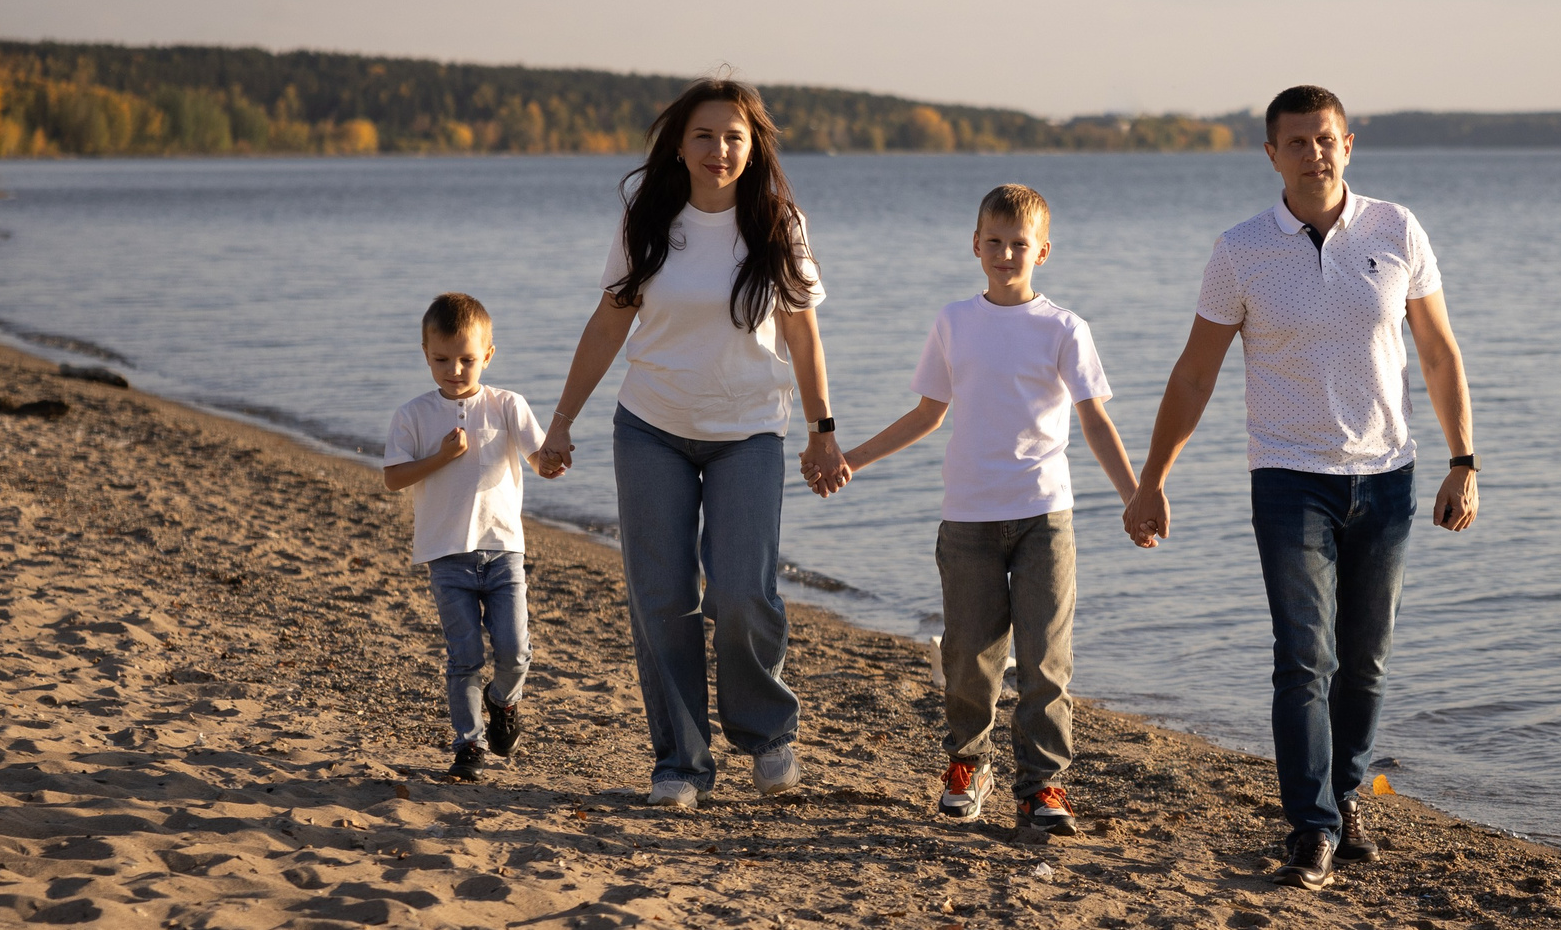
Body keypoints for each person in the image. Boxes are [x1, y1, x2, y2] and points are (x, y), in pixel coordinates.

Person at [1124, 84, 1478, 890]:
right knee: (1301, 658)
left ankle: (1347, 793)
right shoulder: (1241, 251)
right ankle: (1312, 826)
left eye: (1327, 139)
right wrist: (1152, 480)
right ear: (1272, 155)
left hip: (1387, 475)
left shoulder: (1396, 229)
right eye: (1298, 142)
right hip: (1289, 480)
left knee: (1368, 660)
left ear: (1348, 144)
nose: (1315, 153)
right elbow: (1194, 375)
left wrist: (1465, 460)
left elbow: (1439, 352)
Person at [534, 79, 849, 810]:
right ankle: (681, 760)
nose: (719, 150)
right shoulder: (647, 218)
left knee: (742, 592)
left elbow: (802, 331)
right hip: (650, 428)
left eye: (734, 136)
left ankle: (767, 735)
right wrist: (560, 421)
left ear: (753, 145)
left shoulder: (776, 221)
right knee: (663, 598)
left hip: (749, 434)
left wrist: (822, 430)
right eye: (705, 135)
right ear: (680, 142)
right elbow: (609, 324)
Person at [838, 185, 1138, 835]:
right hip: (968, 519)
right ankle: (968, 766)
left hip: (1044, 518)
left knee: (1044, 661)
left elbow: (1095, 421)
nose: (1006, 253)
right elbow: (927, 412)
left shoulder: (1064, 328)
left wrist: (1136, 494)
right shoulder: (954, 321)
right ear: (976, 246)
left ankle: (1042, 788)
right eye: (994, 242)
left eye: (1019, 244)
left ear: (1043, 251)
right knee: (969, 657)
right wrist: (854, 458)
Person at [383, 292, 561, 783]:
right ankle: (468, 743)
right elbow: (393, 478)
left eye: (466, 359)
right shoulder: (412, 415)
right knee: (464, 657)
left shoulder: (507, 405)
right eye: (441, 359)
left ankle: (502, 700)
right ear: (425, 353)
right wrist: (441, 457)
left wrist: (552, 462)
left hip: (503, 549)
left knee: (516, 651)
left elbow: (538, 457)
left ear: (488, 355)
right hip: (446, 555)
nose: (454, 369)